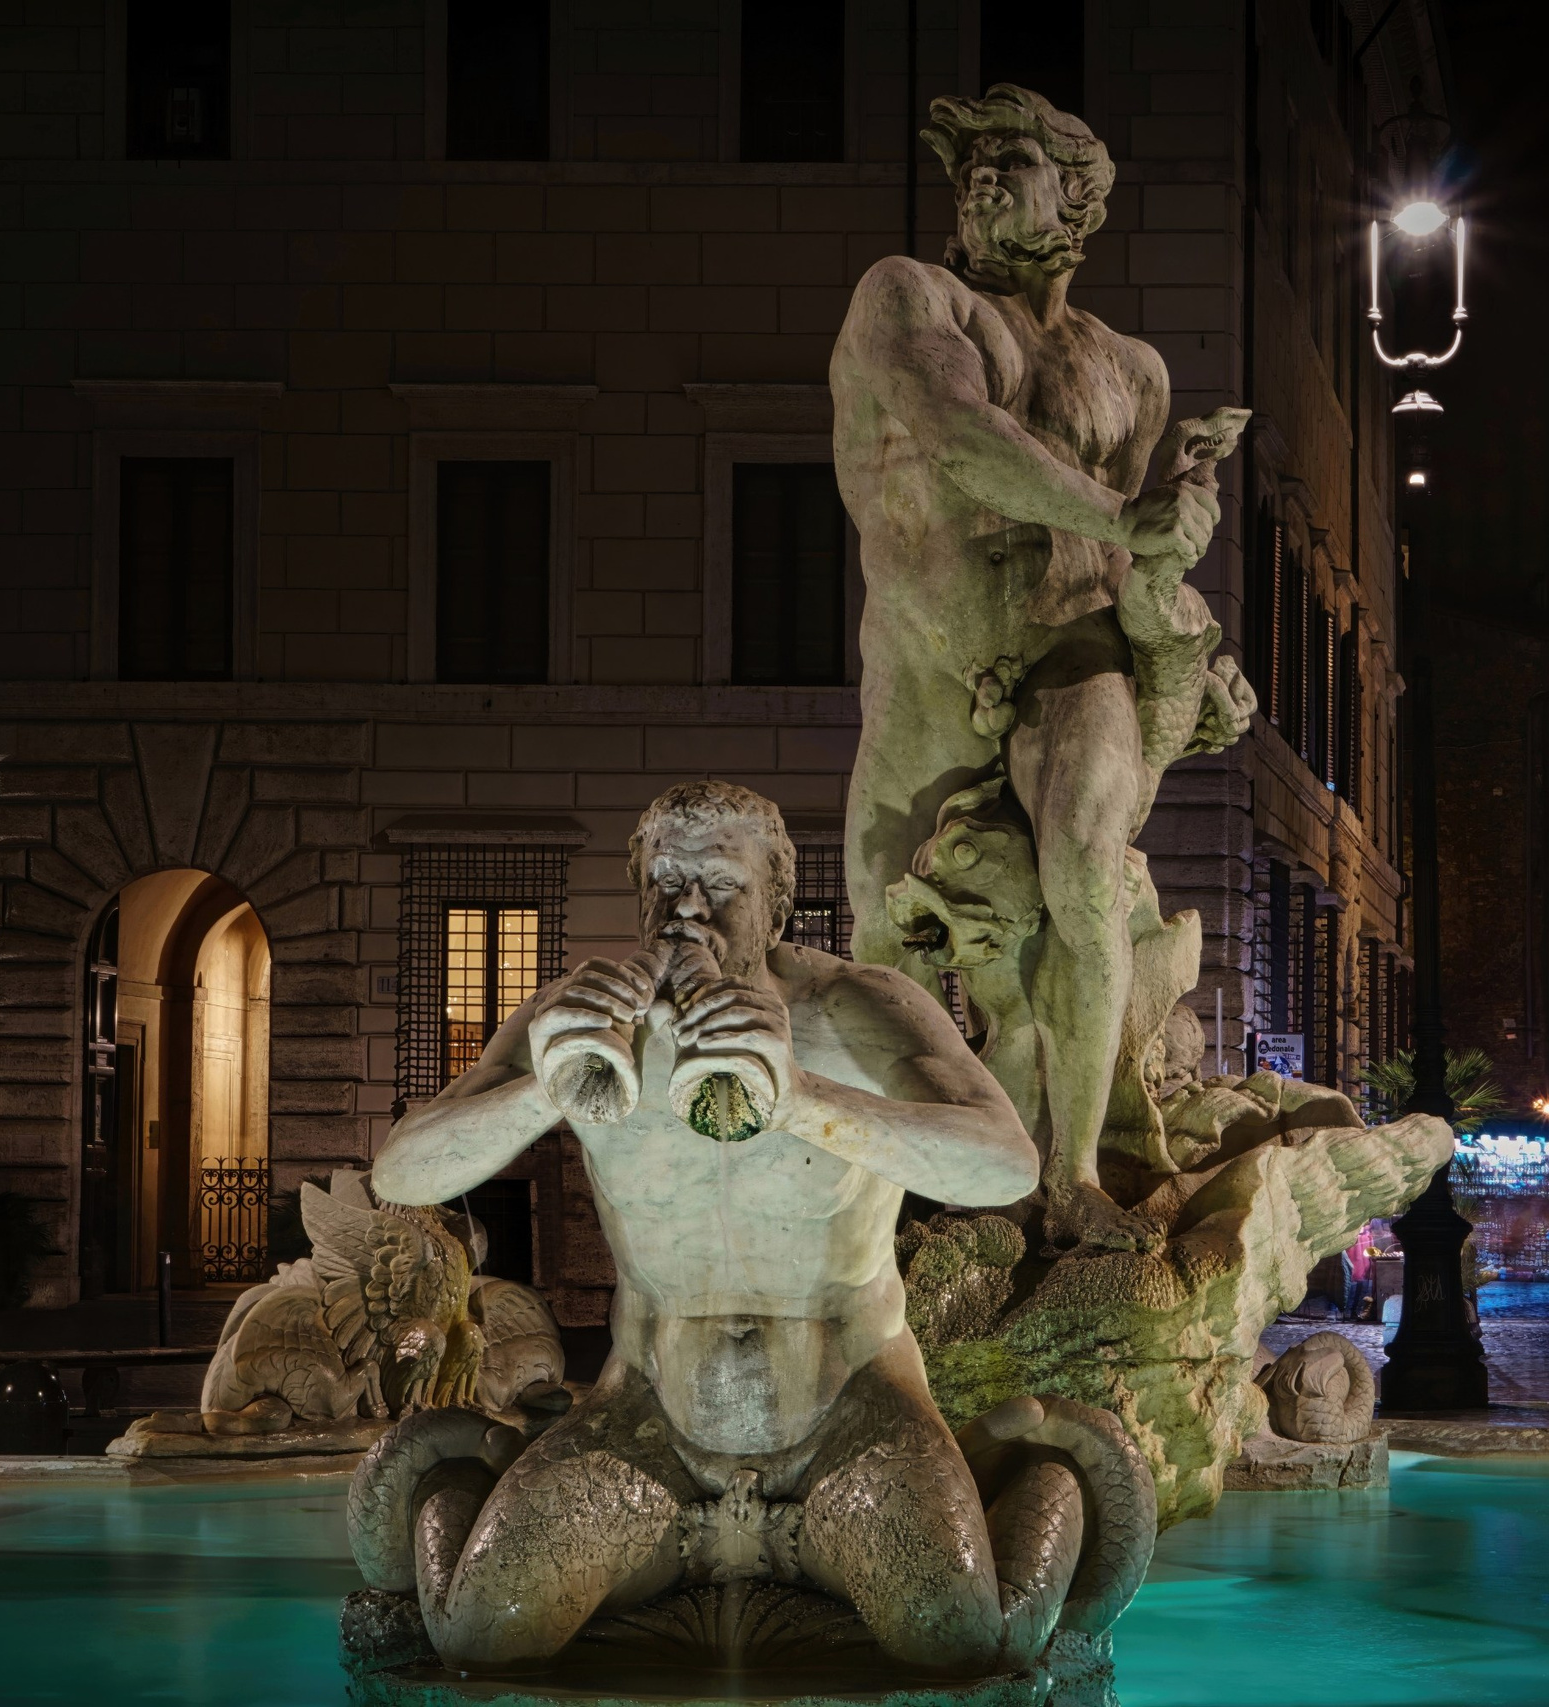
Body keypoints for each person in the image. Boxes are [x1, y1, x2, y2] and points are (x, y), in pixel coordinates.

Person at [354, 782, 1098, 1673]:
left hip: (847, 1408)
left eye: (721, 882)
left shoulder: (859, 1004)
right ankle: (473, 1474)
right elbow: (402, 1170)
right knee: (484, 1627)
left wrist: (802, 1099)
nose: (687, 905)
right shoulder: (582, 1011)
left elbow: (1007, 1162)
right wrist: (544, 1087)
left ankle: (1020, 1474)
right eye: (664, 878)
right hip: (652, 1415)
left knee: (960, 1630)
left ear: (777, 903)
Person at [829, 85, 1238, 1254]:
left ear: (1080, 196)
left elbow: (1133, 561)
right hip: (929, 663)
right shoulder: (908, 296)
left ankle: (1068, 1178)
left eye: (1013, 160)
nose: (985, 181)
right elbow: (963, 442)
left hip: (1075, 651)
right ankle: (887, 1186)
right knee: (878, 935)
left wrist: (1184, 631)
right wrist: (1131, 514)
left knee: (1082, 872)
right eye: (975, 168)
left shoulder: (1137, 373)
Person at [1341, 1224, 1378, 1320]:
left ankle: (1354, 1311)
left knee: (1361, 1291)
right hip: (1353, 1268)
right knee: (1350, 1291)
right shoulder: (1352, 1235)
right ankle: (1346, 1312)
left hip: (1364, 1267)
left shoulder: (1368, 1236)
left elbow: (1371, 1251)